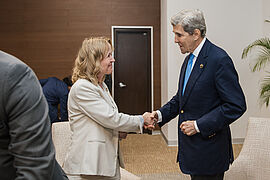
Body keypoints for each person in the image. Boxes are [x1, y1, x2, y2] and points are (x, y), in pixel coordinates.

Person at [151, 9, 246, 180]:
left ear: (195, 34)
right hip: (193, 150)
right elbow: (182, 99)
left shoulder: (219, 59)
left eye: (179, 35)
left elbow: (236, 105)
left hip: (210, 150)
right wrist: (158, 115)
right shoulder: (189, 59)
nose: (175, 40)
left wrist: (198, 125)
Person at [63, 37, 155, 180]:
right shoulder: (82, 87)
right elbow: (111, 118)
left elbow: (100, 121)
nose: (113, 60)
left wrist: (119, 131)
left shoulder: (102, 85)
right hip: (88, 165)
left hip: (102, 162)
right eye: (108, 56)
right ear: (94, 60)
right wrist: (141, 120)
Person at [0, 50, 68, 180]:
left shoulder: (14, 74)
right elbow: (64, 108)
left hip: (38, 100)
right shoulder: (64, 90)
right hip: (42, 103)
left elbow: (35, 168)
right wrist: (63, 120)